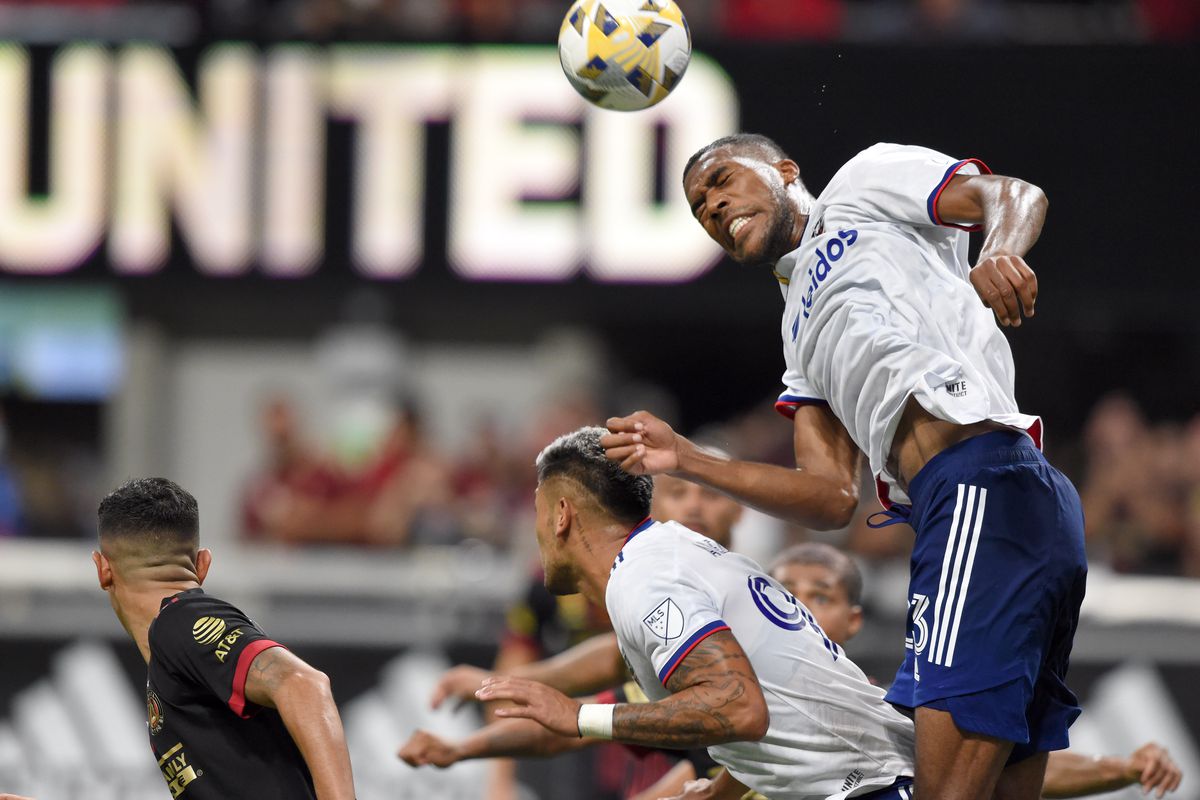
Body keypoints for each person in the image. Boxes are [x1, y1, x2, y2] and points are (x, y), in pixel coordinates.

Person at [601, 135, 1088, 799]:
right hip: (991, 508)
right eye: (698, 209)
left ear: (783, 170)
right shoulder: (797, 335)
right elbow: (831, 498)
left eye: (721, 181)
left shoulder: (863, 184)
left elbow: (1013, 194)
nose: (712, 206)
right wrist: (687, 458)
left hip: (981, 481)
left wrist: (1000, 247)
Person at [445, 427, 917, 800]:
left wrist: (579, 715)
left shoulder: (645, 579)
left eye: (537, 513)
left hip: (871, 789)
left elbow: (739, 707)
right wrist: (720, 790)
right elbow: (771, 697)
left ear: (562, 514)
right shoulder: (665, 557)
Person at [416, 472, 745, 798]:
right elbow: (610, 666)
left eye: (710, 495)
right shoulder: (635, 601)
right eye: (678, 492)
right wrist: (475, 738)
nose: (694, 507)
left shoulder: (732, 604)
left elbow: (739, 744)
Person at [92, 477, 355, 800]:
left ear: (103, 569)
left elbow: (304, 684)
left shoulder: (183, 621)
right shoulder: (174, 650)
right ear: (203, 565)